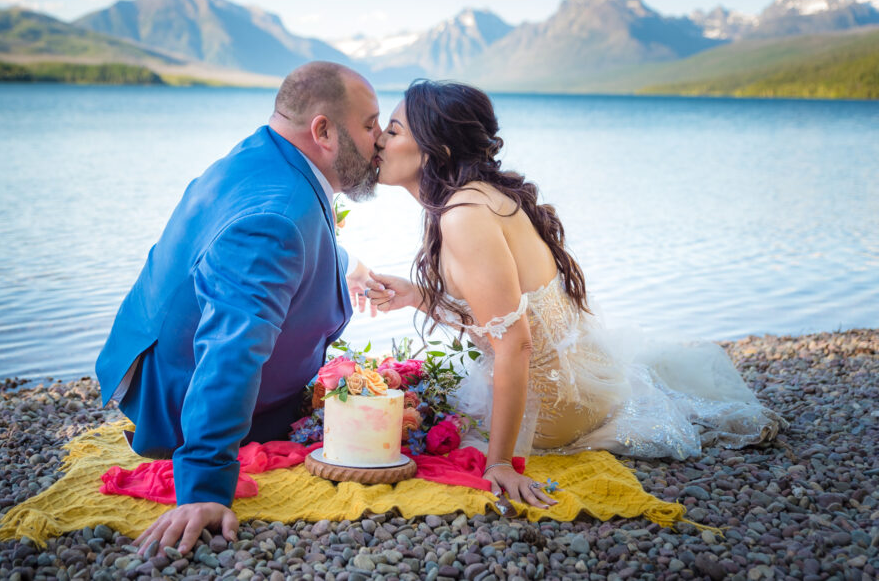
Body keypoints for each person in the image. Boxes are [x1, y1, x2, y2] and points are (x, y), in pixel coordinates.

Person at [365, 79, 783, 510]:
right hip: (576, 383)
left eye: (393, 131)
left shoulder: (463, 216)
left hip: (549, 414)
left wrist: (500, 463)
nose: (379, 140)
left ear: (439, 149)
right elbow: (499, 320)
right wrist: (417, 295)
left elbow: (516, 345)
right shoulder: (476, 200)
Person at [95, 61, 381, 555]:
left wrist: (347, 263)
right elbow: (231, 347)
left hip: (158, 354)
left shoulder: (266, 157)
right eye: (371, 124)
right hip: (178, 400)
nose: (381, 139)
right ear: (324, 131)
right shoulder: (277, 217)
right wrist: (204, 487)